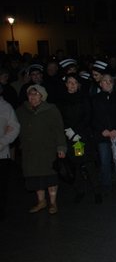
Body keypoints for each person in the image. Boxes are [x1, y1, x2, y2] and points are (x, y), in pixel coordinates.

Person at [16, 85, 67, 214]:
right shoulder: (22, 111)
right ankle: (41, 201)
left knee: (50, 176)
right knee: (35, 177)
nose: (32, 97)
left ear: (42, 96)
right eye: (30, 94)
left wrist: (61, 147)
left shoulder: (51, 109)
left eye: (35, 94)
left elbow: (58, 130)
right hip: (30, 150)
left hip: (47, 149)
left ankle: (53, 202)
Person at [58, 74, 102, 205]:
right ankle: (80, 190)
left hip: (82, 136)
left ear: (78, 85)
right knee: (75, 164)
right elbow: (60, 118)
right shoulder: (61, 100)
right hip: (69, 136)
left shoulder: (84, 98)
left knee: (88, 163)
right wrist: (68, 131)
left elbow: (88, 116)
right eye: (69, 82)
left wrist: (77, 132)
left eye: (74, 83)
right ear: (66, 84)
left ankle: (97, 191)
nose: (71, 85)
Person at [0, 84, 20, 220]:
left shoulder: (6, 107)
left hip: (1, 153)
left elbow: (14, 127)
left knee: (1, 185)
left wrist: (2, 142)